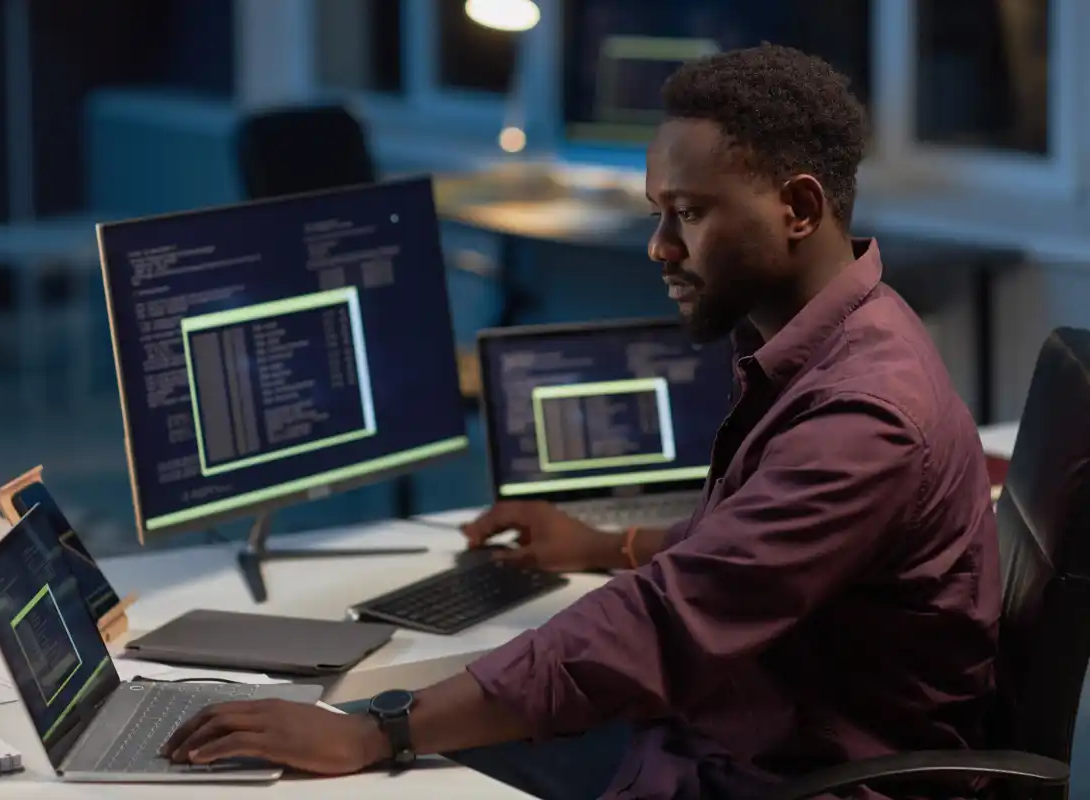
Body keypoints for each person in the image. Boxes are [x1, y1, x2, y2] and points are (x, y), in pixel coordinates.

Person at [161, 44, 1000, 799]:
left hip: (790, 773)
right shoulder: (843, 337)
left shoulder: (863, 416)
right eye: (656, 215)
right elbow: (743, 548)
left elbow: (666, 622)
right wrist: (605, 547)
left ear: (800, 208)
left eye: (690, 212)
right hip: (746, 728)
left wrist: (379, 728)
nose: (660, 247)